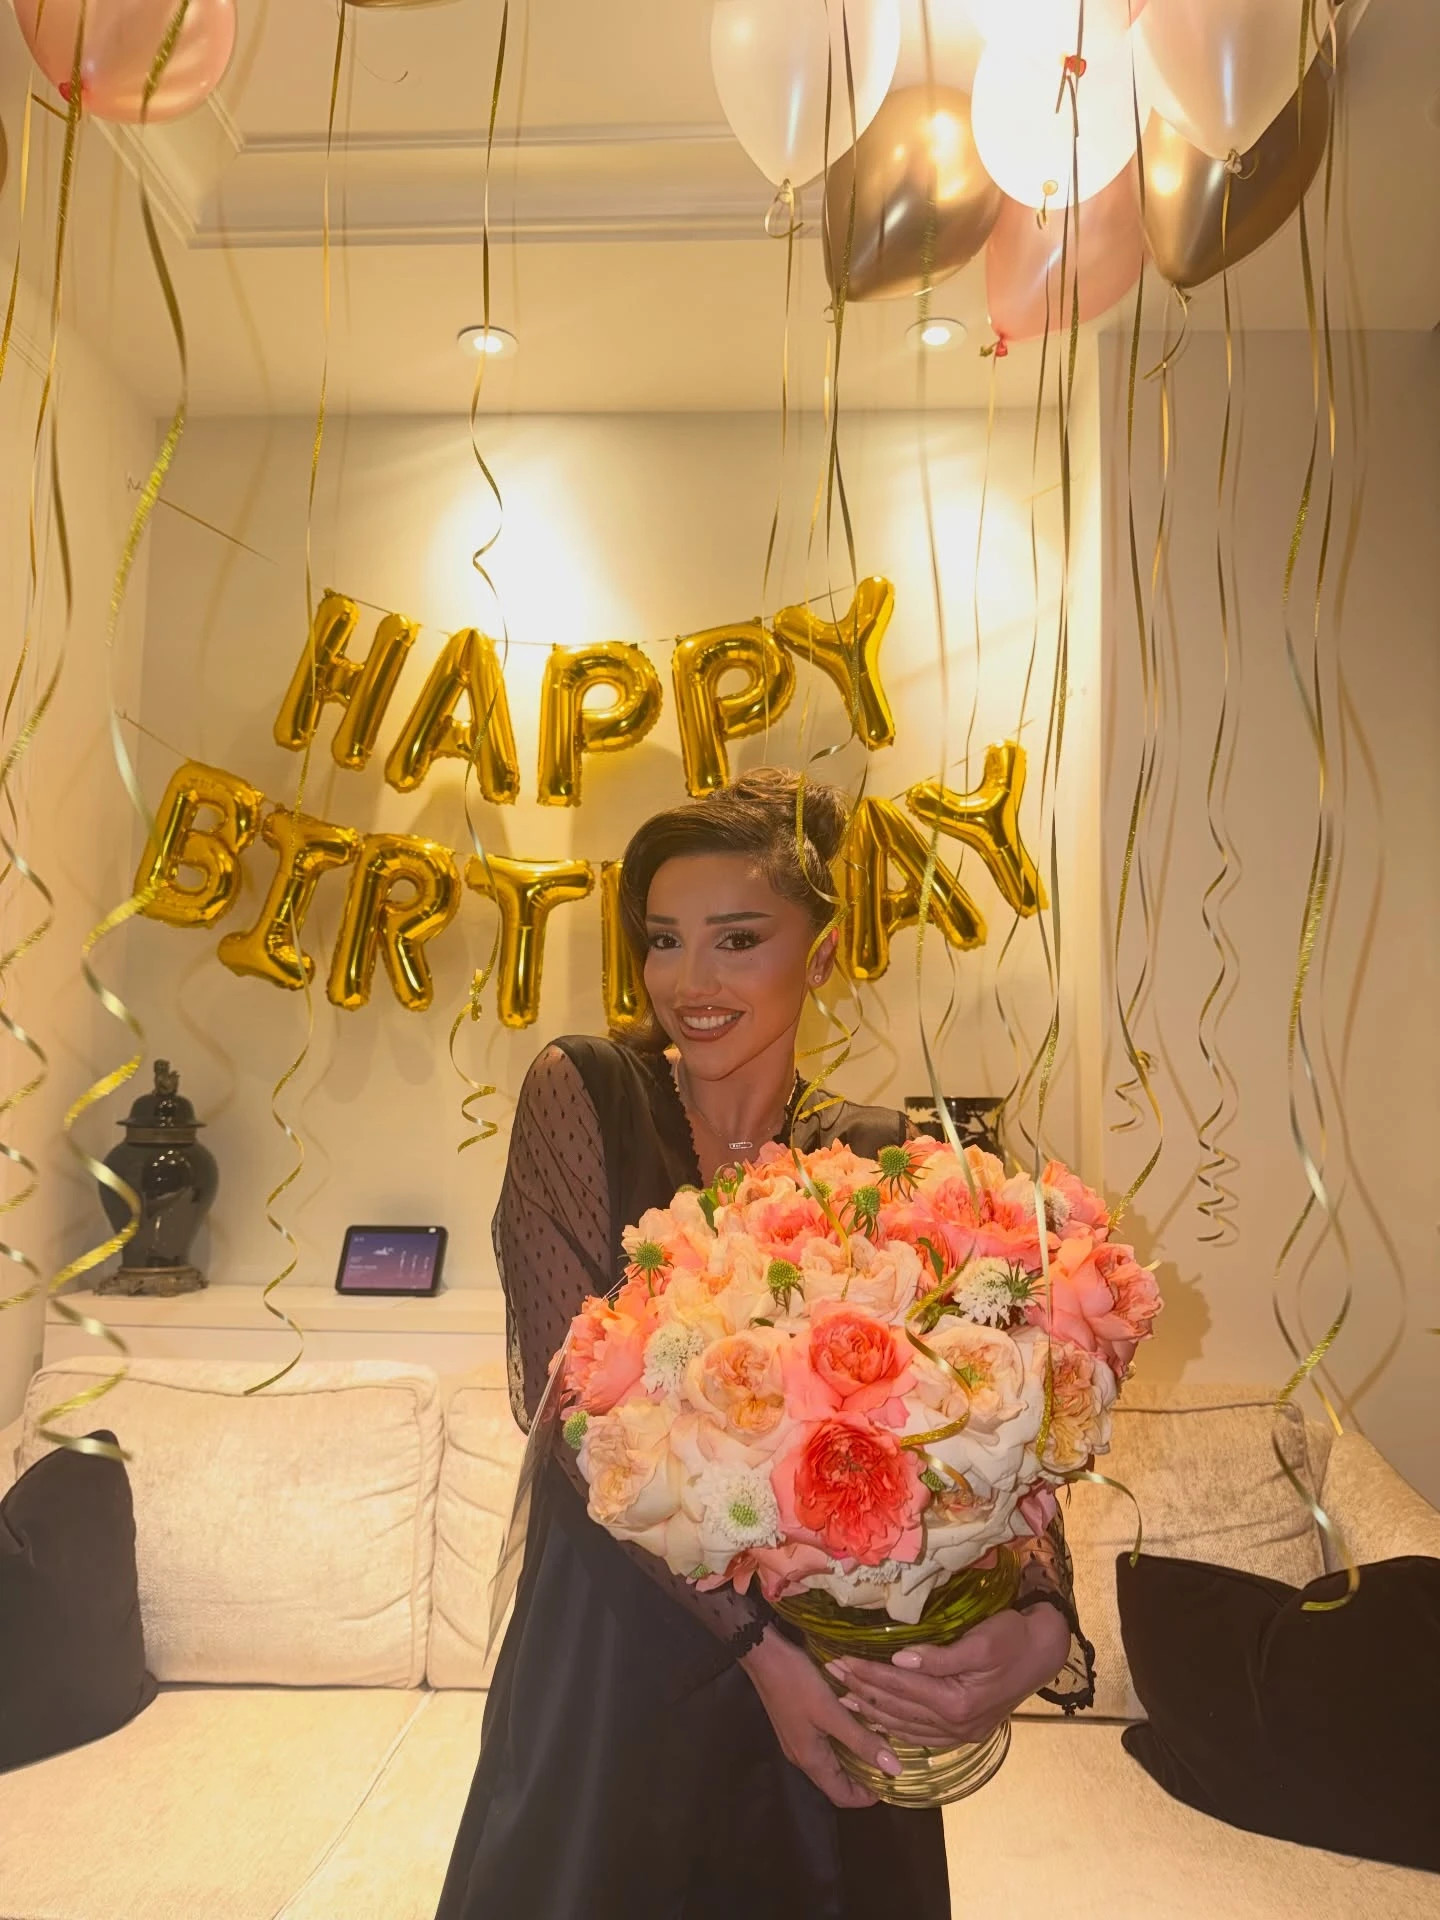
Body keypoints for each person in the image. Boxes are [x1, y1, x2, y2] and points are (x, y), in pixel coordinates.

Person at [435, 768, 1094, 1920]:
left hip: (839, 1661)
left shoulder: (879, 1158)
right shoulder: (584, 1092)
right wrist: (761, 1655)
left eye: (738, 940)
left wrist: (1043, 1615)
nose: (691, 981)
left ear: (822, 954)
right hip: (619, 1658)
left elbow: (1001, 1416)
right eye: (664, 940)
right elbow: (574, 1421)